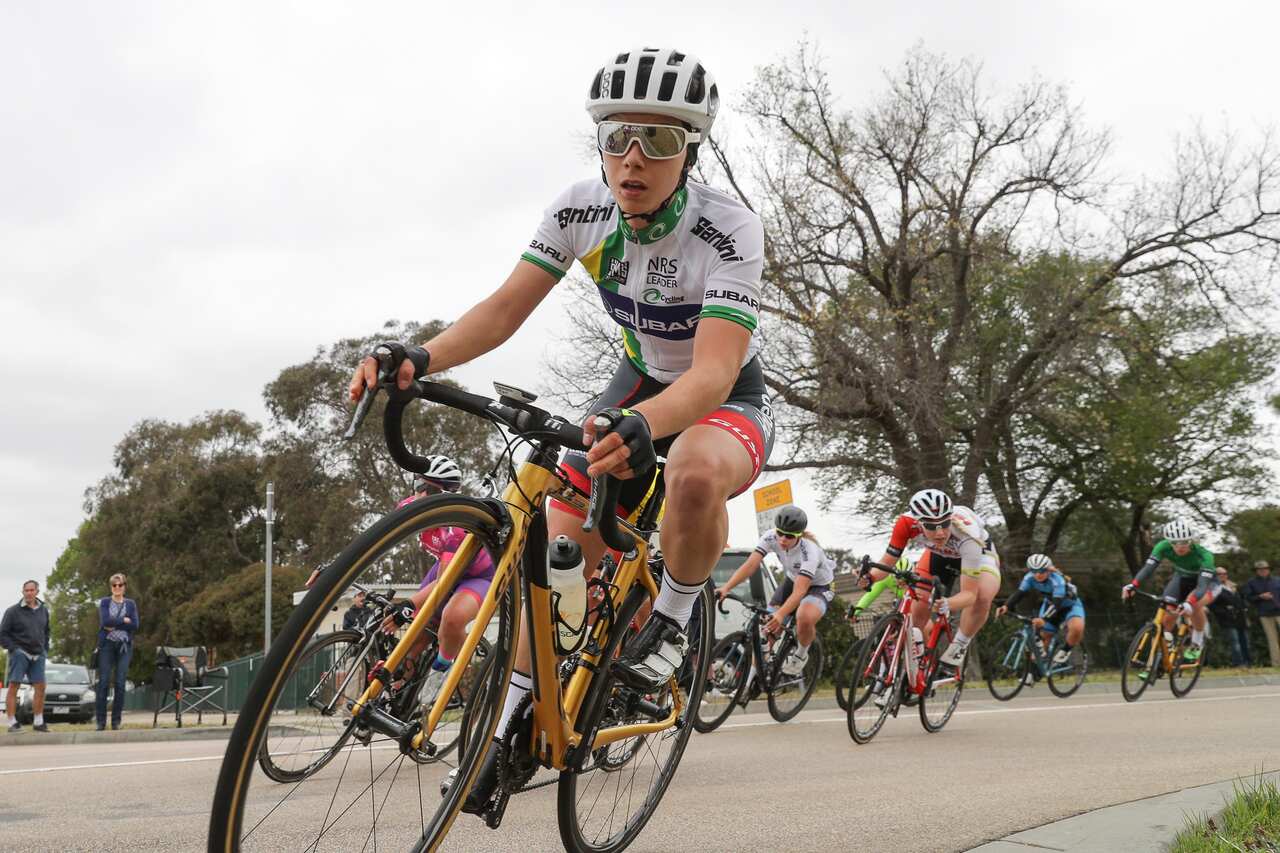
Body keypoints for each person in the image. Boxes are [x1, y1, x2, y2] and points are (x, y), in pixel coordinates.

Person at [351, 46, 771, 814]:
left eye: (658, 139)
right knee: (555, 543)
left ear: (690, 150)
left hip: (721, 396)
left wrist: (644, 422)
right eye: (617, 137)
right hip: (636, 381)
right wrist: (422, 354)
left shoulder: (728, 229)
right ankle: (507, 726)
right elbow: (503, 309)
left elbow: (713, 372)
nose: (633, 157)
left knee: (693, 470)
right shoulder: (580, 211)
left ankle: (673, 622)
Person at [379, 458, 493, 703]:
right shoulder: (411, 505)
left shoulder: (455, 528)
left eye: (428, 490)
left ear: (445, 495)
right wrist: (332, 568)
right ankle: (398, 696)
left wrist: (408, 604)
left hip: (477, 576)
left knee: (451, 618)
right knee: (413, 639)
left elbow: (445, 582)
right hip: (444, 570)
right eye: (418, 485)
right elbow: (373, 541)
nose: (421, 494)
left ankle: (440, 672)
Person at [864, 488, 1001, 672]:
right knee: (918, 607)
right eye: (930, 526)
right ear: (918, 522)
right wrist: (869, 577)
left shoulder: (969, 536)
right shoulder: (905, 523)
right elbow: (887, 562)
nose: (940, 533)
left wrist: (948, 603)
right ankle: (913, 666)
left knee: (983, 596)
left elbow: (969, 594)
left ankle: (960, 645)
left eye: (945, 523)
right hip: (938, 555)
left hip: (978, 555)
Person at [715, 506, 835, 675]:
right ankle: (748, 683)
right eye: (780, 533)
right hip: (792, 580)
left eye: (789, 536)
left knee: (804, 617)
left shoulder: (809, 551)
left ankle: (801, 655)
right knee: (767, 631)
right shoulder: (770, 537)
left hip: (818, 586)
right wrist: (726, 587)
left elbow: (800, 591)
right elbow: (751, 565)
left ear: (799, 535)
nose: (783, 539)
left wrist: (780, 614)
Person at [1122, 519, 1219, 662]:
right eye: (1175, 543)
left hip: (1206, 582)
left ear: (1191, 540)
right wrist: (1133, 585)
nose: (1180, 547)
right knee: (1167, 610)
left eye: (1185, 542)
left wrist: (1189, 602)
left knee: (1195, 604)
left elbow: (1201, 586)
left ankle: (1197, 642)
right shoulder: (1162, 547)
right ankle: (1163, 655)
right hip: (1182, 578)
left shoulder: (1205, 555)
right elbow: (1148, 568)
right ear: (1168, 541)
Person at [995, 554, 1085, 667]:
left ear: (1048, 570)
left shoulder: (1057, 580)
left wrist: (1044, 619)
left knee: (1077, 627)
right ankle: (1036, 670)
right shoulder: (1029, 578)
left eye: (1042, 571)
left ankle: (1065, 650)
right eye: (1034, 571)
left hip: (1070, 606)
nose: (1038, 574)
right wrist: (1006, 606)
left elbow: (1057, 604)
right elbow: (1019, 593)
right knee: (1042, 639)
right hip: (1050, 604)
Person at [1, 580, 51, 732]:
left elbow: (47, 631)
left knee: (40, 687)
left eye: (31, 590)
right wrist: (14, 649)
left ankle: (38, 722)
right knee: (14, 686)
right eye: (26, 590)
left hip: (38, 655)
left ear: (37, 592)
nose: (29, 593)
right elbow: (3, 634)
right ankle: (12, 723)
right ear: (23, 592)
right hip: (20, 653)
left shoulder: (43, 610)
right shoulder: (13, 611)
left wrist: (45, 650)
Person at [95, 573, 139, 731]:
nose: (117, 587)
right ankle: (101, 721)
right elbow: (105, 621)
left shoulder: (130, 604)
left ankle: (116, 721)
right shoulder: (105, 602)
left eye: (120, 585)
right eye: (114, 585)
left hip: (124, 647)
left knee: (120, 683)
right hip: (107, 645)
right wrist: (123, 620)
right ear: (111, 587)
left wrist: (114, 624)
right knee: (104, 682)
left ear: (125, 587)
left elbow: (135, 625)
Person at [1208, 567, 1251, 668]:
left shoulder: (1232, 585)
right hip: (1227, 619)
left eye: (1225, 573)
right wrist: (1225, 612)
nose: (1223, 576)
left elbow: (1241, 599)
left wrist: (1244, 607)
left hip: (1240, 617)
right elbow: (1212, 605)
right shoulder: (1213, 588)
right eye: (1220, 574)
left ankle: (1248, 662)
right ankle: (1239, 664)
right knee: (1235, 642)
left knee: (1245, 641)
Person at [1243, 560, 1280, 667]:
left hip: (1279, 611)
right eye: (1260, 569)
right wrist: (1260, 596)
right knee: (1272, 640)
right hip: (1265, 614)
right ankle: (1276, 664)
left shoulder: (1277, 580)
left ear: (1269, 569)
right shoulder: (1251, 582)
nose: (1263, 571)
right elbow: (1248, 597)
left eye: (1265, 569)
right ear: (1256, 571)